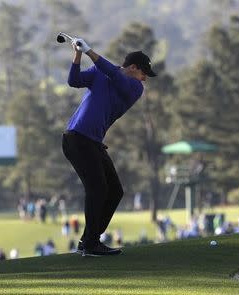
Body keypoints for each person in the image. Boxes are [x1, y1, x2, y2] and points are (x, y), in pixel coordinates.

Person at [62, 36, 156, 257]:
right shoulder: (101, 72)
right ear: (133, 68)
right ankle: (91, 243)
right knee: (98, 189)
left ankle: (89, 239)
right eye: (144, 74)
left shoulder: (134, 88)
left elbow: (115, 75)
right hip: (76, 138)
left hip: (91, 142)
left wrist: (90, 52)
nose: (145, 79)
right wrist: (77, 54)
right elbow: (73, 81)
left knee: (114, 191)